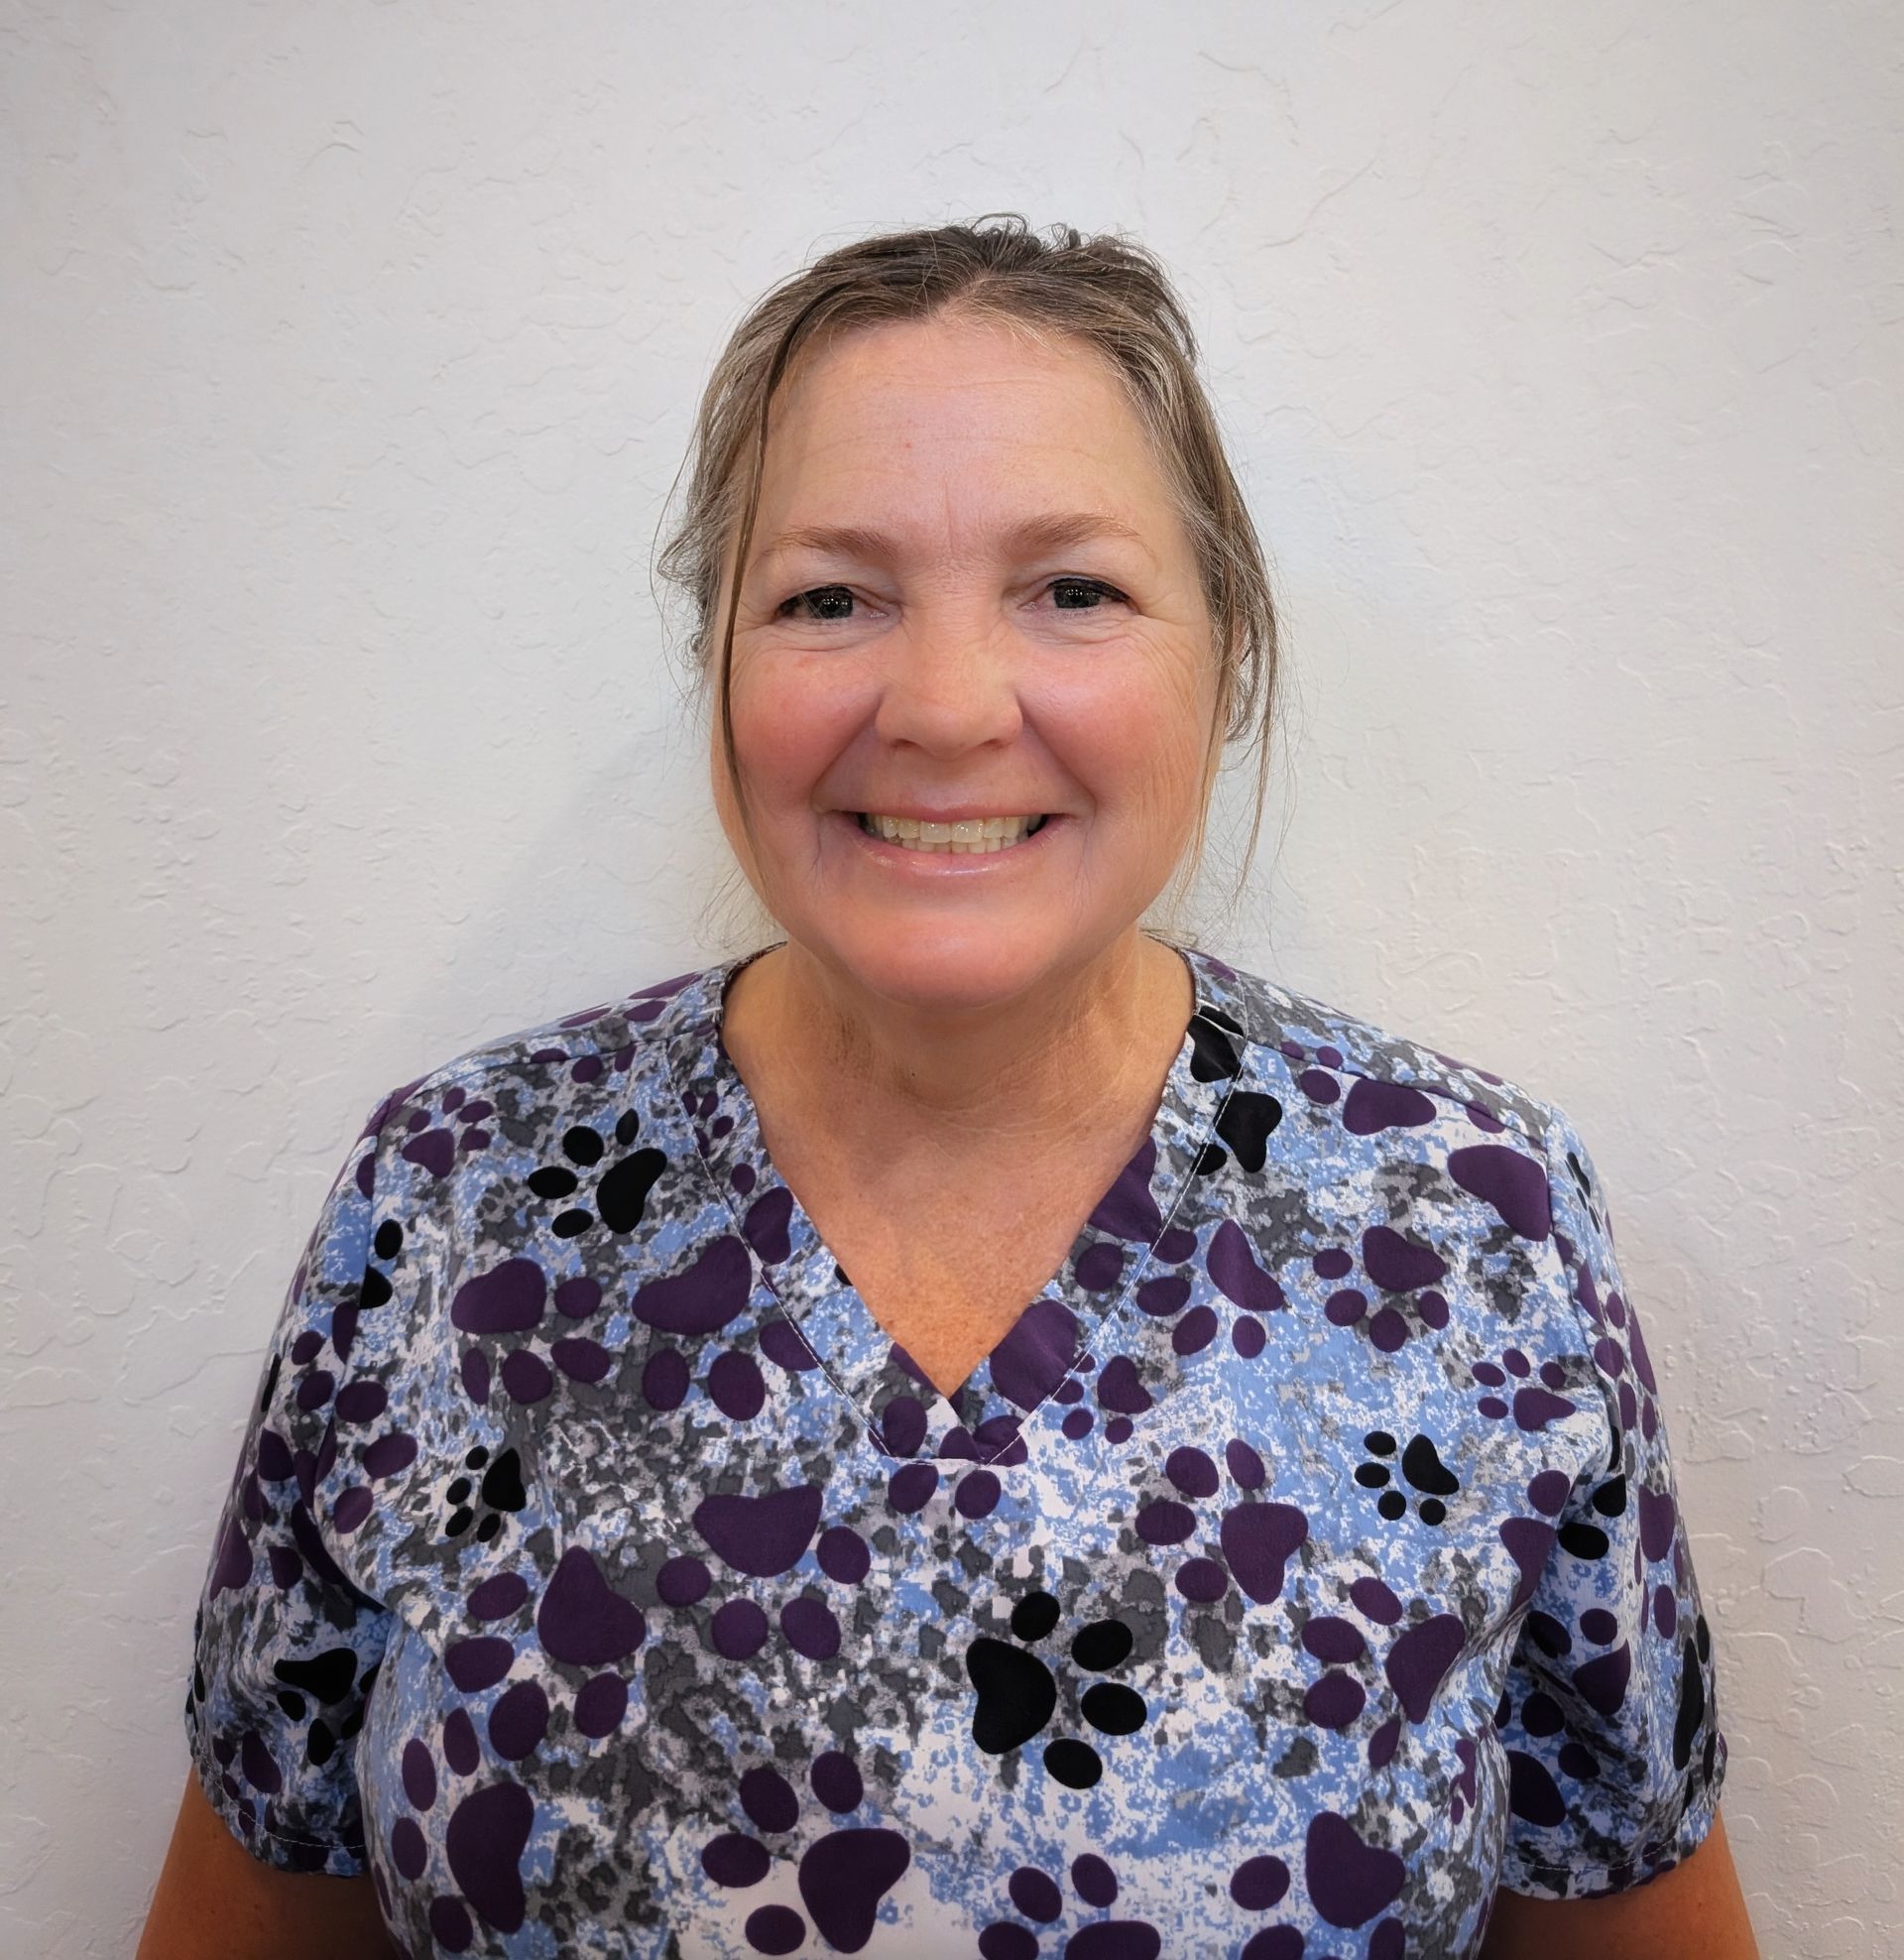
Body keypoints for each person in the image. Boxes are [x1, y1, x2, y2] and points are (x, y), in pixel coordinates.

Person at [138, 216, 1759, 1959]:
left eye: (1073, 589)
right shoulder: (451, 1204)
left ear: (1224, 659)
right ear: (722, 668)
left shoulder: (1470, 1223)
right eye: (830, 596)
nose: (944, 702)